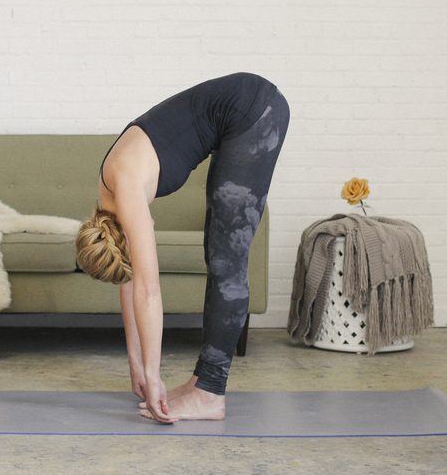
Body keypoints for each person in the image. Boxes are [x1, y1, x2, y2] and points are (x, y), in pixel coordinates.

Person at [74, 72, 290, 423]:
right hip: (242, 113)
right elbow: (128, 282)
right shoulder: (108, 199)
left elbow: (147, 289)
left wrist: (155, 375)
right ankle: (202, 384)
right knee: (219, 251)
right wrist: (137, 363)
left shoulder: (127, 188)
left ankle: (210, 393)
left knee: (226, 258)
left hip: (254, 111)